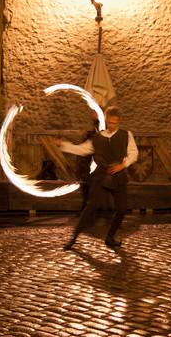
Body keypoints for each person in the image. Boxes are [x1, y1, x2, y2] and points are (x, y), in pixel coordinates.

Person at [57, 106, 138, 249]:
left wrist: (122, 165)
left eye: (115, 123)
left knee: (122, 209)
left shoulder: (126, 135)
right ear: (106, 121)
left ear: (118, 122)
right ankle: (73, 239)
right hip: (101, 176)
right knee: (90, 207)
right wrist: (63, 145)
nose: (112, 126)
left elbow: (133, 153)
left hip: (118, 176)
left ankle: (110, 237)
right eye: (110, 123)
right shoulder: (97, 137)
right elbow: (81, 150)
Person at [75, 110, 101, 211]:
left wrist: (96, 120)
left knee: (90, 192)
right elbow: (79, 161)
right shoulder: (81, 143)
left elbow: (97, 131)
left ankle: (88, 211)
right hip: (84, 172)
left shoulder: (91, 138)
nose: (81, 132)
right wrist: (78, 175)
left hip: (90, 171)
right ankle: (84, 210)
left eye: (82, 130)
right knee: (85, 192)